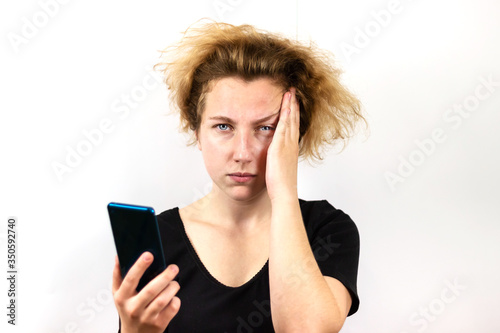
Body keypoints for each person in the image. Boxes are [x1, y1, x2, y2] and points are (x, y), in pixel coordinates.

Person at [112, 20, 365, 333]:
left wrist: (283, 192)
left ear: (295, 134)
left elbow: (305, 329)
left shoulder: (327, 229)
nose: (243, 152)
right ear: (197, 131)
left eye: (265, 128)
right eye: (223, 126)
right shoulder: (158, 238)